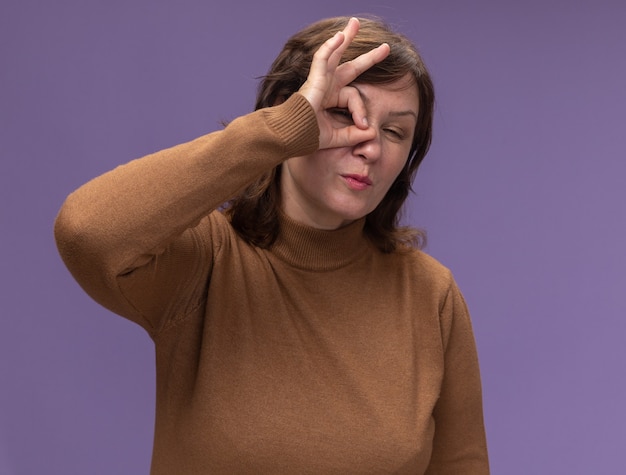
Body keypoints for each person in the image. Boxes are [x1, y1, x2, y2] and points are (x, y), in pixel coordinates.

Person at [55, 16, 489, 474]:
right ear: (290, 112)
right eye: (342, 113)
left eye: (395, 131)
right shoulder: (204, 259)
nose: (370, 146)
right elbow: (86, 230)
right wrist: (281, 131)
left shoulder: (430, 294)